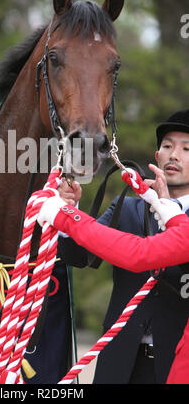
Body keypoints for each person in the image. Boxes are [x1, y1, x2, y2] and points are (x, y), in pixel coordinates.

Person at [56, 110, 189, 384]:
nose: (174, 155)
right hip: (119, 359)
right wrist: (71, 211)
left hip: (176, 362)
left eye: (186, 148)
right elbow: (79, 256)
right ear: (157, 157)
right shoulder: (127, 207)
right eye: (167, 146)